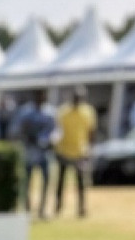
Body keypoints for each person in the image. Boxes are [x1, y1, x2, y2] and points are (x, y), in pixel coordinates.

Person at [11, 88, 57, 218]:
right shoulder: (26, 113)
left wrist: (51, 140)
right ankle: (27, 208)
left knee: (47, 181)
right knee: (26, 182)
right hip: (29, 152)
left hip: (45, 153)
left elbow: (56, 131)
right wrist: (26, 136)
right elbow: (16, 130)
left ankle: (42, 210)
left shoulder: (50, 112)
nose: (41, 97)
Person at [53, 85, 98, 217]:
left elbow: (91, 132)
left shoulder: (88, 112)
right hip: (64, 151)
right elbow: (57, 130)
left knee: (81, 182)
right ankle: (58, 206)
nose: (78, 100)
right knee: (61, 181)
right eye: (76, 97)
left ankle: (81, 208)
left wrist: (90, 149)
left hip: (80, 152)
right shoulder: (63, 112)